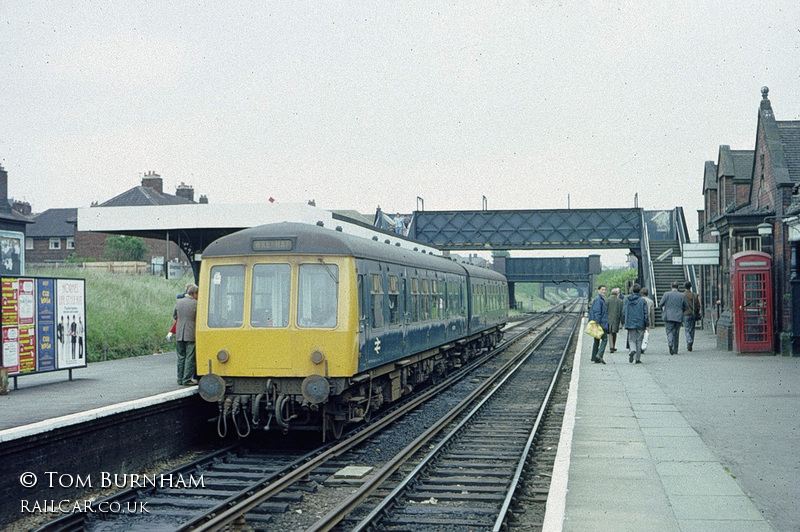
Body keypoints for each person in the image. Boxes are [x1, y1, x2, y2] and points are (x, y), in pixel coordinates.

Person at [174, 283, 199, 386]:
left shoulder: (178, 302)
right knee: (190, 357)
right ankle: (187, 379)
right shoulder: (196, 304)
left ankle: (179, 379)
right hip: (191, 333)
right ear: (194, 293)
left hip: (179, 332)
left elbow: (175, 316)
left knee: (181, 357)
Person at [659, 281, 689, 355]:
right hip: (678, 316)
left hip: (668, 316)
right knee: (676, 332)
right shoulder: (682, 295)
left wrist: (663, 311)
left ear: (671, 286)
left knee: (669, 331)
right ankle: (675, 349)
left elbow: (660, 304)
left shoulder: (666, 294)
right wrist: (681, 311)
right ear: (678, 287)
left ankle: (670, 343)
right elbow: (687, 306)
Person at [623, 284, 649, 363]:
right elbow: (645, 313)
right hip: (640, 322)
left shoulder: (627, 300)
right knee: (639, 340)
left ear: (632, 290)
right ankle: (637, 358)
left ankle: (632, 350)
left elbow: (624, 312)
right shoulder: (642, 300)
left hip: (630, 322)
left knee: (632, 339)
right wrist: (647, 324)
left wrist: (624, 321)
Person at [588, 285, 609, 364]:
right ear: (598, 290)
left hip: (599, 322)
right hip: (600, 323)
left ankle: (594, 357)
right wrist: (598, 323)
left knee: (596, 339)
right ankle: (599, 355)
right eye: (602, 290)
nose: (604, 291)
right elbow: (597, 312)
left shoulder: (598, 299)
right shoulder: (598, 300)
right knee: (604, 339)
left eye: (605, 290)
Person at [683, 281, 701, 352]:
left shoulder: (683, 295)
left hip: (686, 314)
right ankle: (690, 344)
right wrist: (696, 312)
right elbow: (698, 305)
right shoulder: (694, 295)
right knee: (692, 330)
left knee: (687, 329)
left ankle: (689, 340)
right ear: (690, 287)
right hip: (693, 314)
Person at [606, 287, 624, 352]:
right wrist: (623, 322)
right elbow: (622, 312)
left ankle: (611, 347)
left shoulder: (607, 300)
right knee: (614, 333)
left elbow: (605, 310)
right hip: (617, 319)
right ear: (617, 294)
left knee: (610, 333)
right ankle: (613, 346)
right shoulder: (620, 301)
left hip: (608, 319)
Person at [640, 286, 655, 353]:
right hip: (647, 319)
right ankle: (643, 346)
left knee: (640, 333)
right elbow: (652, 313)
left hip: (640, 319)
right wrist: (652, 322)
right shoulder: (650, 301)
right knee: (646, 333)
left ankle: (639, 346)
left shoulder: (639, 300)